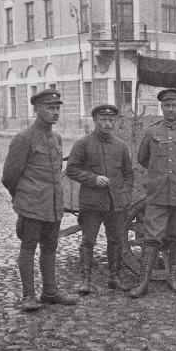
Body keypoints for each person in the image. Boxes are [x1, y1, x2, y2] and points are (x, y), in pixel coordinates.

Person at [1, 89, 78, 312]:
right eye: (49, 108)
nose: (55, 113)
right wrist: (22, 198)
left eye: (57, 108)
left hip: (53, 205)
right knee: (28, 248)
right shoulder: (23, 138)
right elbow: (9, 176)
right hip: (31, 205)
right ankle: (28, 296)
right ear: (36, 110)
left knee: (51, 247)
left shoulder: (56, 138)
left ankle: (50, 292)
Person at [130, 88, 176, 298]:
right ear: (162, 107)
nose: (171, 109)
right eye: (167, 106)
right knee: (152, 237)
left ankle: (173, 277)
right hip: (159, 192)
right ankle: (143, 281)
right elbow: (143, 158)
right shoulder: (152, 132)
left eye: (175, 106)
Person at [65, 104, 134, 295]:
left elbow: (128, 174)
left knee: (116, 240)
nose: (107, 124)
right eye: (103, 120)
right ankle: (85, 279)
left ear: (115, 121)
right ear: (95, 121)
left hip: (115, 203)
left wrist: (125, 195)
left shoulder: (121, 146)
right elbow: (71, 169)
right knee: (88, 241)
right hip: (92, 203)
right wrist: (93, 179)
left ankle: (115, 277)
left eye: (111, 120)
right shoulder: (83, 143)